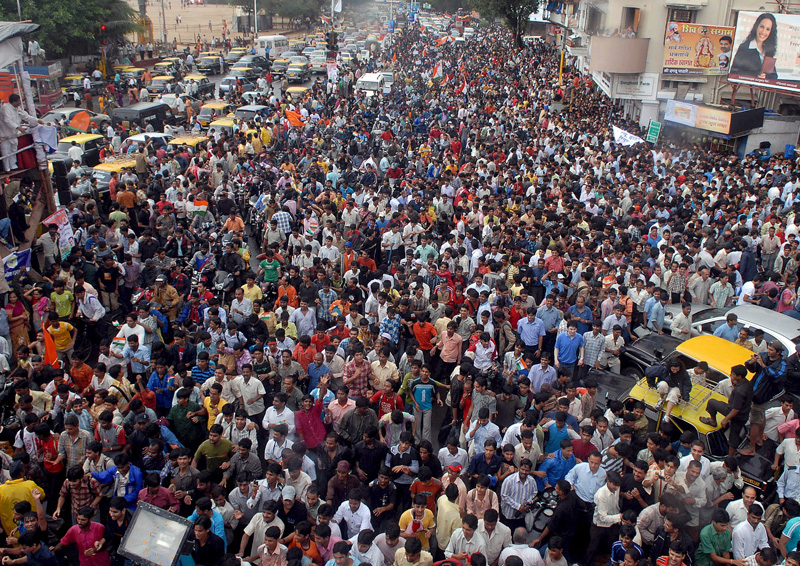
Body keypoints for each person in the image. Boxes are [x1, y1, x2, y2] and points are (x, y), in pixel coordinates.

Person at [730, 13, 779, 79]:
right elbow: (734, 72)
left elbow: (774, 76)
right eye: (762, 27)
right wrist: (756, 75)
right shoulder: (745, 48)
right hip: (747, 87)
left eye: (768, 29)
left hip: (761, 88)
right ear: (756, 26)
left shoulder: (768, 50)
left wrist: (766, 76)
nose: (763, 32)